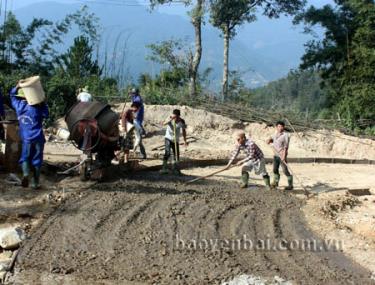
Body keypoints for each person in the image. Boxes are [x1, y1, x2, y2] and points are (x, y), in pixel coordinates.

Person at [10, 82, 49, 189]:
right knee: (37, 160)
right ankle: (35, 183)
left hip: (26, 138)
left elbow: (12, 95)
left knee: (25, 158)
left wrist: (17, 86)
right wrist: (43, 102)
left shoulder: (18, 106)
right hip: (38, 138)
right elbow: (46, 114)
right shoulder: (38, 108)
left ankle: (26, 174)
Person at [266, 120, 293, 190]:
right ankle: (275, 182)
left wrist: (284, 156)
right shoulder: (275, 134)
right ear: (276, 127)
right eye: (279, 126)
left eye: (281, 126)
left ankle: (290, 185)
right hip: (275, 155)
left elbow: (286, 147)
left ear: (283, 127)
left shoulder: (285, 135)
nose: (280, 128)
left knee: (285, 170)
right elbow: (271, 139)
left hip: (282, 155)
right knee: (275, 169)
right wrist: (269, 140)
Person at [160, 109, 188, 175]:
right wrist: (170, 119)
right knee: (167, 153)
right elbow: (163, 123)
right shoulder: (170, 118)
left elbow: (184, 131)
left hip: (176, 140)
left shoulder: (182, 121)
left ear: (179, 116)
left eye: (177, 117)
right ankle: (164, 168)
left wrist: (185, 140)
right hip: (168, 138)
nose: (176, 118)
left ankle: (175, 169)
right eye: (174, 116)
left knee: (177, 155)